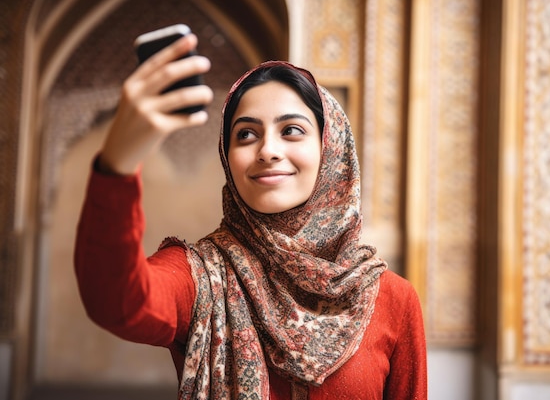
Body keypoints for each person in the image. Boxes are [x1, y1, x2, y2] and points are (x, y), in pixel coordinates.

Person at [74, 31, 427, 399]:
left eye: (291, 130)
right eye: (246, 135)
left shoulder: (391, 299)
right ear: (228, 158)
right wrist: (119, 162)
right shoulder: (202, 278)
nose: (268, 150)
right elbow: (119, 302)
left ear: (330, 149)